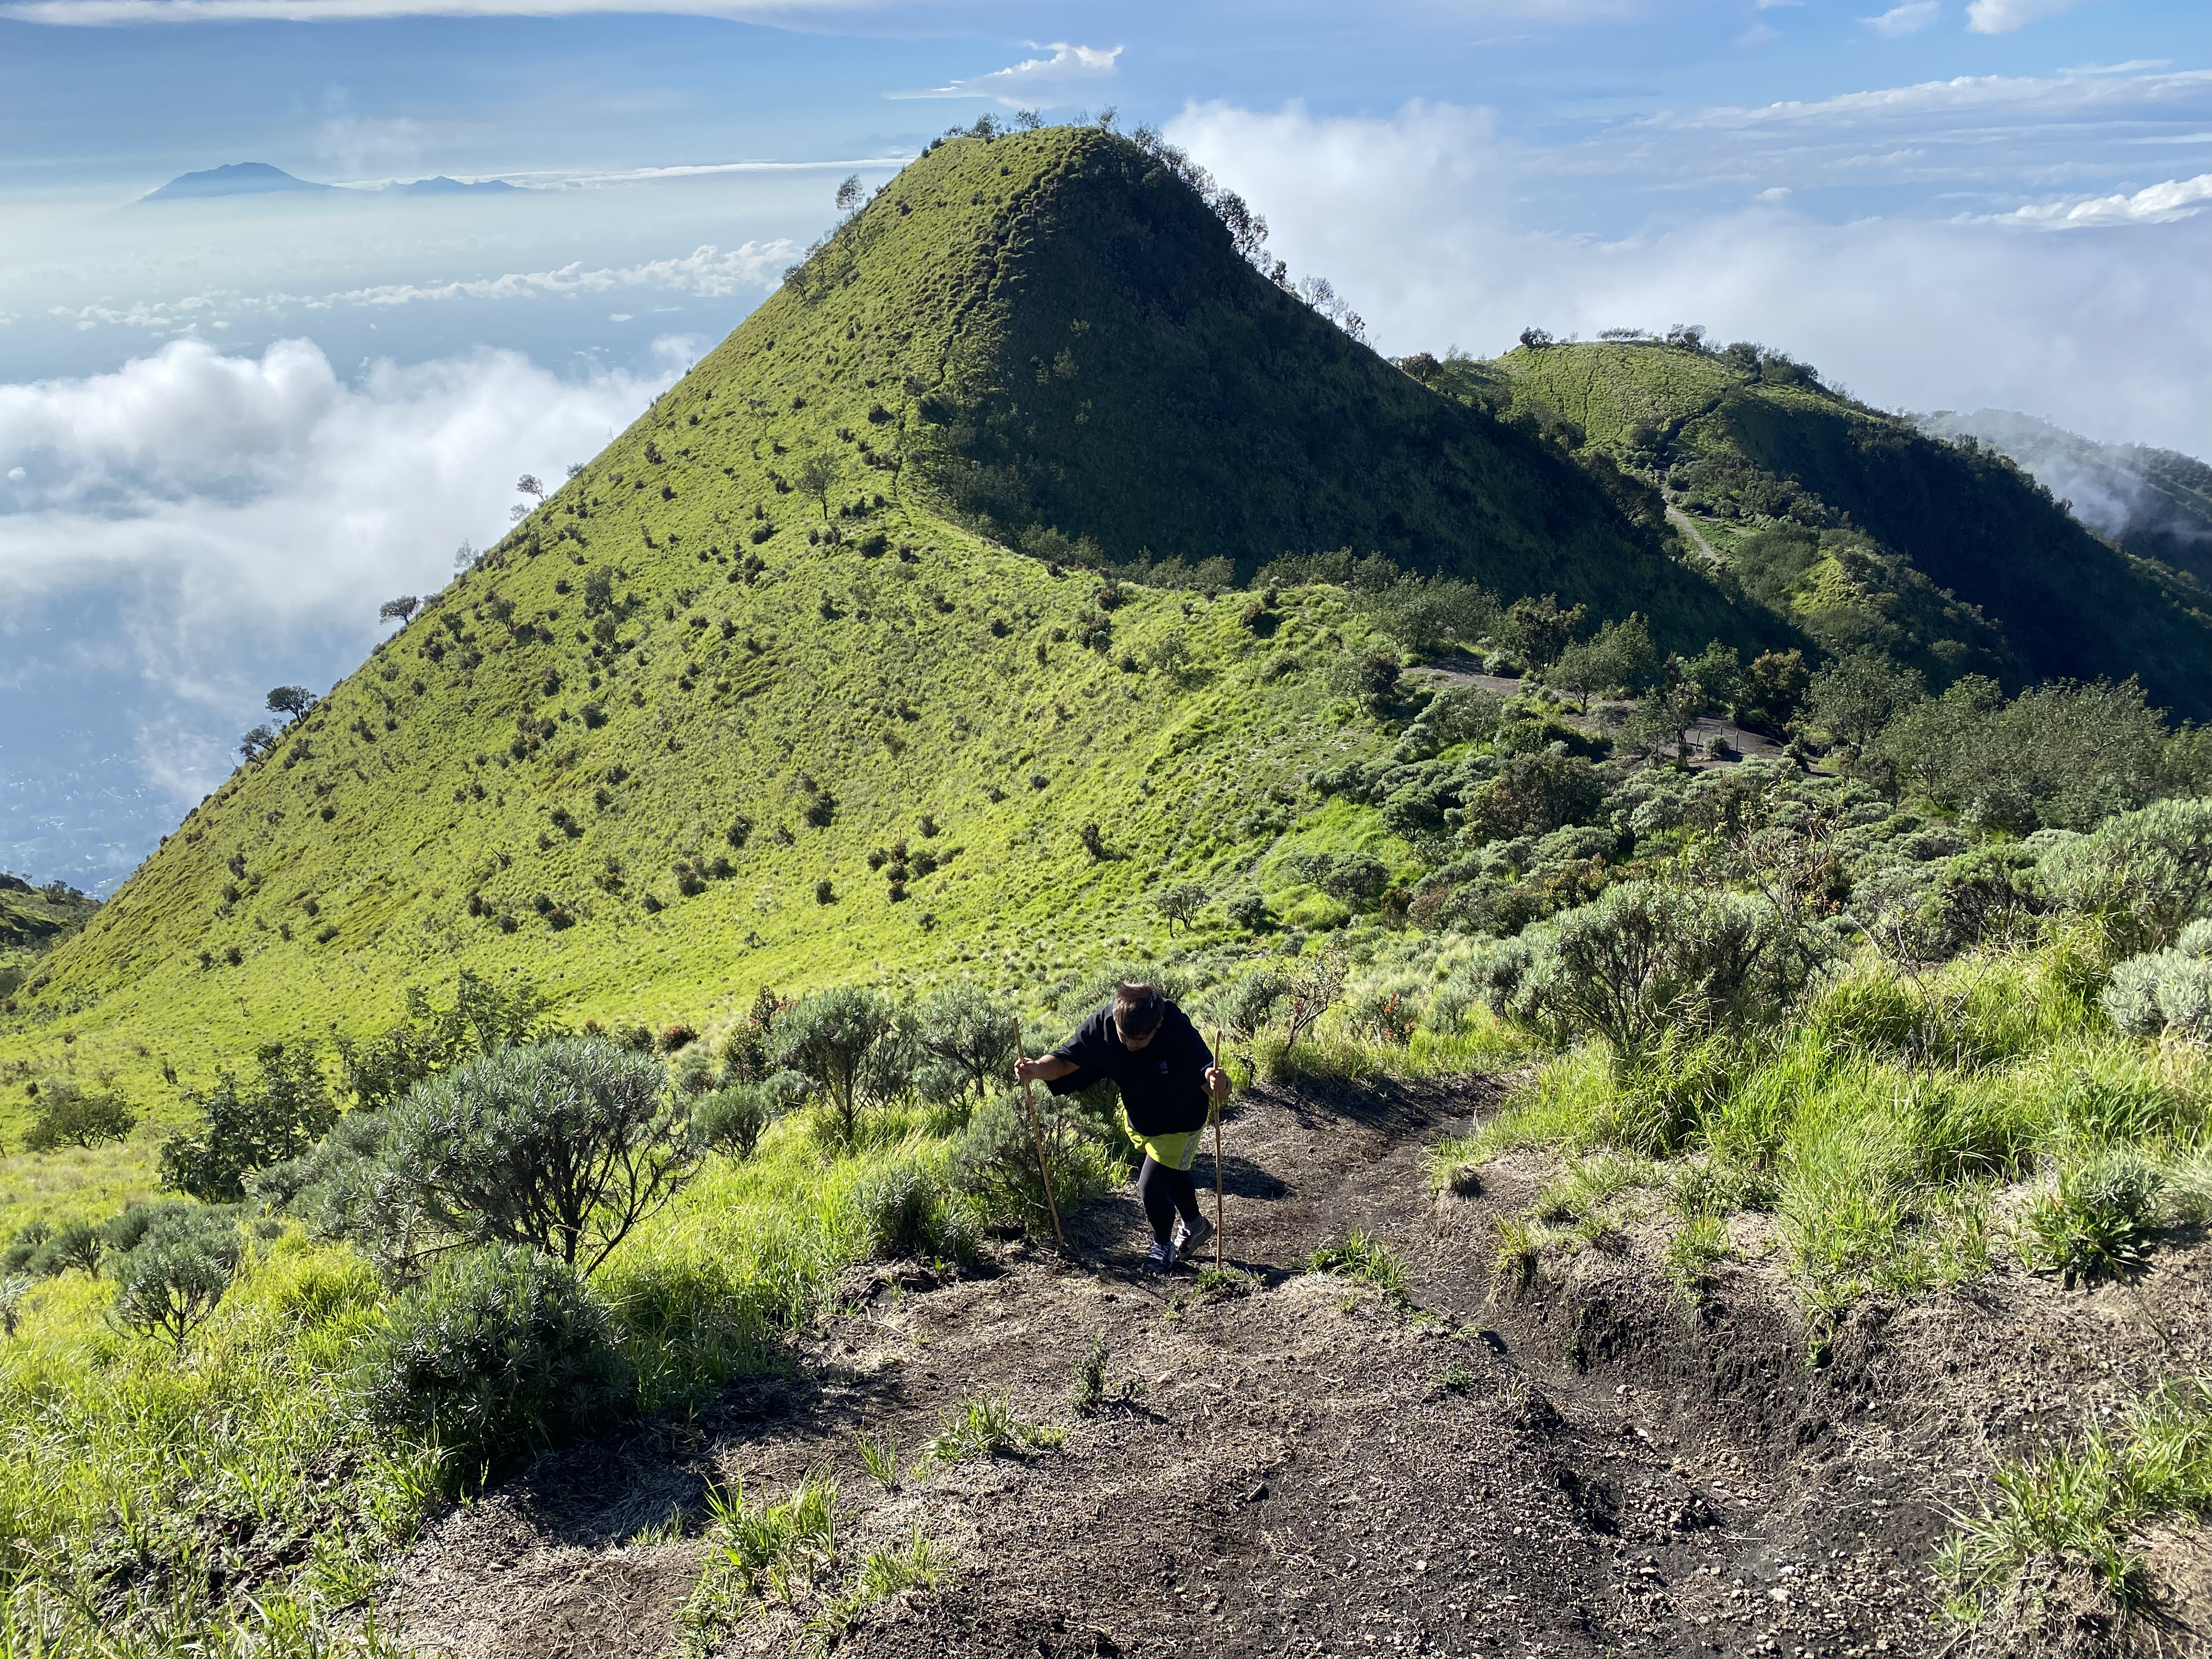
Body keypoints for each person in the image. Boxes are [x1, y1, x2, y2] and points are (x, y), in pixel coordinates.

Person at [1015, 980, 1231, 1274]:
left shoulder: (1175, 1027)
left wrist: (1220, 1083)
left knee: (1151, 1188)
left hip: (1181, 1122)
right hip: (1141, 1120)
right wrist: (1037, 1069)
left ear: (1157, 1025)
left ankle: (1162, 1246)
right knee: (1171, 1173)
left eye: (1140, 1041)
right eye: (1124, 1037)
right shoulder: (1103, 1024)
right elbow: (1066, 1062)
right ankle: (1196, 1225)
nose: (1130, 1046)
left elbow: (1212, 1082)